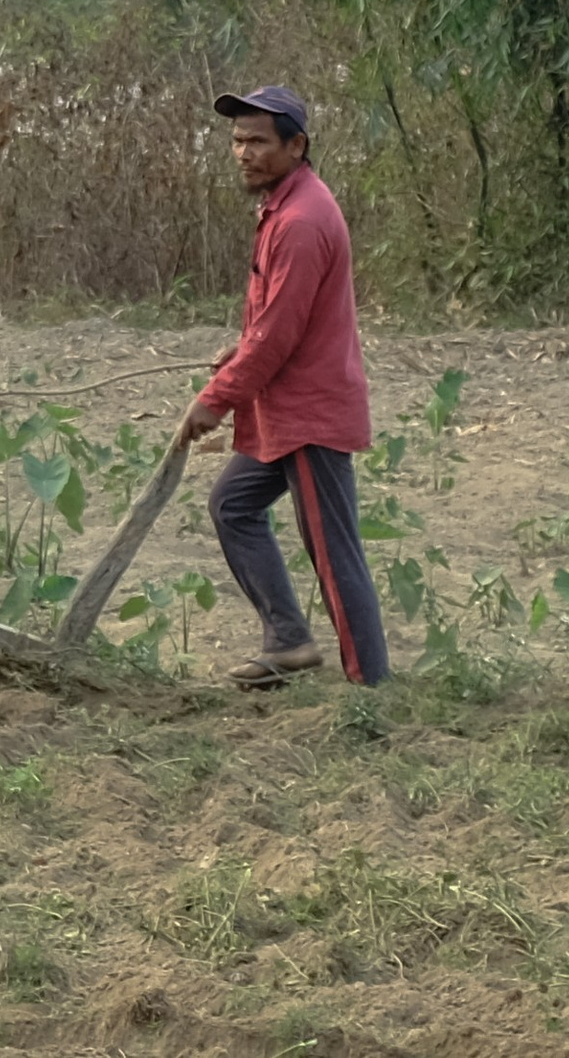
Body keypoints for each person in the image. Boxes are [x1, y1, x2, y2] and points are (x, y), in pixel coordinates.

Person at [178, 86, 390, 687]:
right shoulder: (285, 207)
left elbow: (277, 337)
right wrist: (239, 353)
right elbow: (275, 323)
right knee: (233, 506)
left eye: (258, 142)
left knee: (333, 552)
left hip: (310, 414)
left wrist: (215, 399)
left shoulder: (300, 221)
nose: (243, 153)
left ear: (296, 146)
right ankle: (289, 640)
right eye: (237, 141)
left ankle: (372, 689)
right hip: (286, 409)